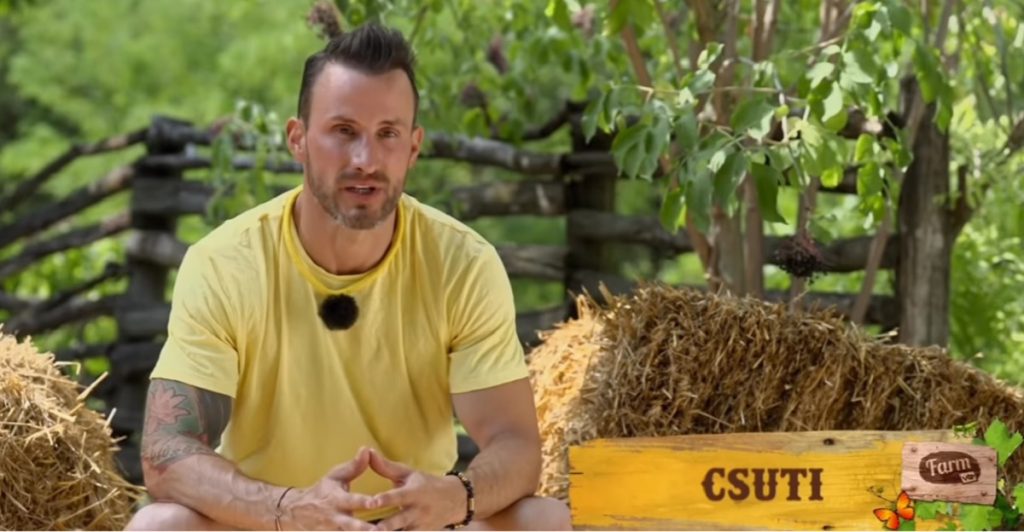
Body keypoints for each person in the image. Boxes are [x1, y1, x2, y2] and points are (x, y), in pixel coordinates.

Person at [125, 22, 572, 531]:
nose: (366, 159)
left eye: (387, 134)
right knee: (159, 526)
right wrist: (287, 509)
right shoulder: (224, 263)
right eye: (343, 131)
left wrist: (456, 496)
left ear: (413, 147)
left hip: (415, 525)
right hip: (271, 522)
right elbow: (167, 450)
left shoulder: (463, 262)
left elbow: (516, 444)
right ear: (298, 139)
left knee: (544, 519)